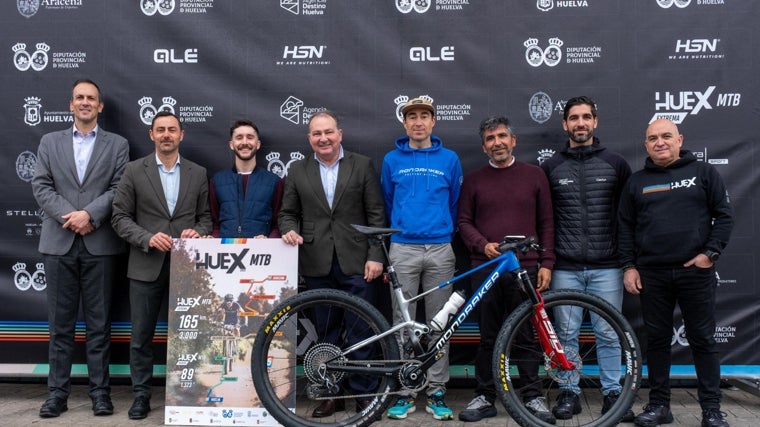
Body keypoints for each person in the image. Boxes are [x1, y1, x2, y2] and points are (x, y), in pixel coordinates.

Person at [618, 119, 733, 427]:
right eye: (653, 138)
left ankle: (711, 409)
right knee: (656, 340)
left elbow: (724, 217)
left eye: (666, 136)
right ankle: (659, 406)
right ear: (645, 145)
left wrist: (709, 254)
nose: (660, 142)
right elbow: (625, 229)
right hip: (651, 274)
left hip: (694, 273)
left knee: (702, 340)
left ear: (679, 139)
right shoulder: (637, 181)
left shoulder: (704, 173)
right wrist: (629, 267)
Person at [31, 79, 129, 419]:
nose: (85, 102)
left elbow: (119, 188)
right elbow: (41, 185)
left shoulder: (117, 144)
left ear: (100, 106)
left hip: (100, 243)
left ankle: (100, 394)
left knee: (99, 326)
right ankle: (57, 395)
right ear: (70, 104)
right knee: (60, 326)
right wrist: (70, 217)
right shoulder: (48, 141)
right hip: (59, 244)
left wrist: (90, 214)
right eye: (79, 98)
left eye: (91, 98)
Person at [279, 110, 386, 417]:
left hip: (358, 262)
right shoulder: (297, 171)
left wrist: (376, 255)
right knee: (325, 334)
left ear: (340, 134)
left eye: (328, 132)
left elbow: (376, 215)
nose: (323, 138)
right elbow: (288, 212)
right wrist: (289, 228)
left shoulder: (362, 165)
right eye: (316, 134)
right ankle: (331, 395)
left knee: (361, 332)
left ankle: (365, 395)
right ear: (309, 139)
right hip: (316, 263)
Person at [111, 110, 212, 420]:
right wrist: (146, 238)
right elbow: (119, 217)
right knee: (141, 335)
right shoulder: (133, 171)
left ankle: (188, 393)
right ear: (151, 135)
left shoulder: (198, 172)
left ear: (182, 135)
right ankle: (141, 395)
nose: (166, 134)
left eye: (172, 130)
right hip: (145, 265)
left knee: (190, 336)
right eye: (160, 130)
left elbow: (206, 217)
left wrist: (199, 232)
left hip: (187, 268)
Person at [539, 96, 634, 421]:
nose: (580, 123)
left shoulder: (616, 164)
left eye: (586, 117)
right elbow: (546, 221)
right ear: (565, 124)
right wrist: (548, 262)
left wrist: (627, 262)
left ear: (595, 122)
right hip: (565, 267)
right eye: (574, 118)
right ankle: (569, 392)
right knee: (565, 336)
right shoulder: (551, 167)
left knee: (609, 333)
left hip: (607, 265)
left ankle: (611, 394)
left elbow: (627, 218)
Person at [457, 116, 556, 424]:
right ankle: (485, 396)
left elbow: (547, 224)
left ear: (514, 141)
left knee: (526, 336)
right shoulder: (474, 180)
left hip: (525, 270)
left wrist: (548, 263)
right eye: (490, 138)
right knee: (488, 336)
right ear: (484, 146)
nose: (496, 142)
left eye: (502, 136)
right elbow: (463, 222)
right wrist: (482, 244)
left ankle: (532, 396)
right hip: (485, 268)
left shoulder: (535, 175)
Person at [381, 96, 463, 421]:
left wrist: (439, 229)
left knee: (438, 325)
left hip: (441, 249)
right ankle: (406, 389)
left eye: (424, 116)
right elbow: (388, 201)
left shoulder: (450, 159)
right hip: (402, 248)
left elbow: (454, 204)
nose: (418, 122)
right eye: (411, 116)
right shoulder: (391, 159)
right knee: (403, 325)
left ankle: (437, 390)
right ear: (404, 123)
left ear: (433, 122)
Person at [209, 119, 283, 238]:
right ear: (231, 144)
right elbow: (213, 223)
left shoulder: (274, 181)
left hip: (261, 253)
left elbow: (278, 224)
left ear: (257, 144)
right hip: (225, 252)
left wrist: (269, 240)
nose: (244, 142)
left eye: (250, 137)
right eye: (239, 137)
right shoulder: (217, 181)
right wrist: (213, 239)